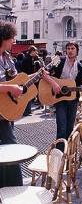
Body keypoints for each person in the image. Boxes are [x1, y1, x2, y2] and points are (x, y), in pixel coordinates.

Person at [46, 41, 82, 151]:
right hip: (59, 98)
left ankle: (68, 153)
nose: (70, 51)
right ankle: (59, 154)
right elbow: (44, 72)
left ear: (77, 51)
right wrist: (54, 84)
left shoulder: (80, 66)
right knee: (61, 127)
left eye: (72, 49)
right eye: (68, 48)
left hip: (73, 99)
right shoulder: (58, 60)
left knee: (70, 128)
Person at [0, 21, 23, 187]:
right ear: (3, 38)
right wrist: (10, 87)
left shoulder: (7, 57)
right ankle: (13, 189)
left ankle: (9, 187)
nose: (14, 41)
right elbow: (10, 85)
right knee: (11, 148)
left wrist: (37, 76)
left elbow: (17, 81)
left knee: (9, 148)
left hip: (7, 111)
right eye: (12, 37)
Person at [21, 45, 41, 116]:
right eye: (35, 51)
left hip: (30, 78)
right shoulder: (27, 59)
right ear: (32, 51)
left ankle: (28, 111)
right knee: (28, 95)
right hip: (27, 79)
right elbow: (26, 71)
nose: (37, 52)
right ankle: (26, 111)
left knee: (29, 95)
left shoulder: (31, 58)